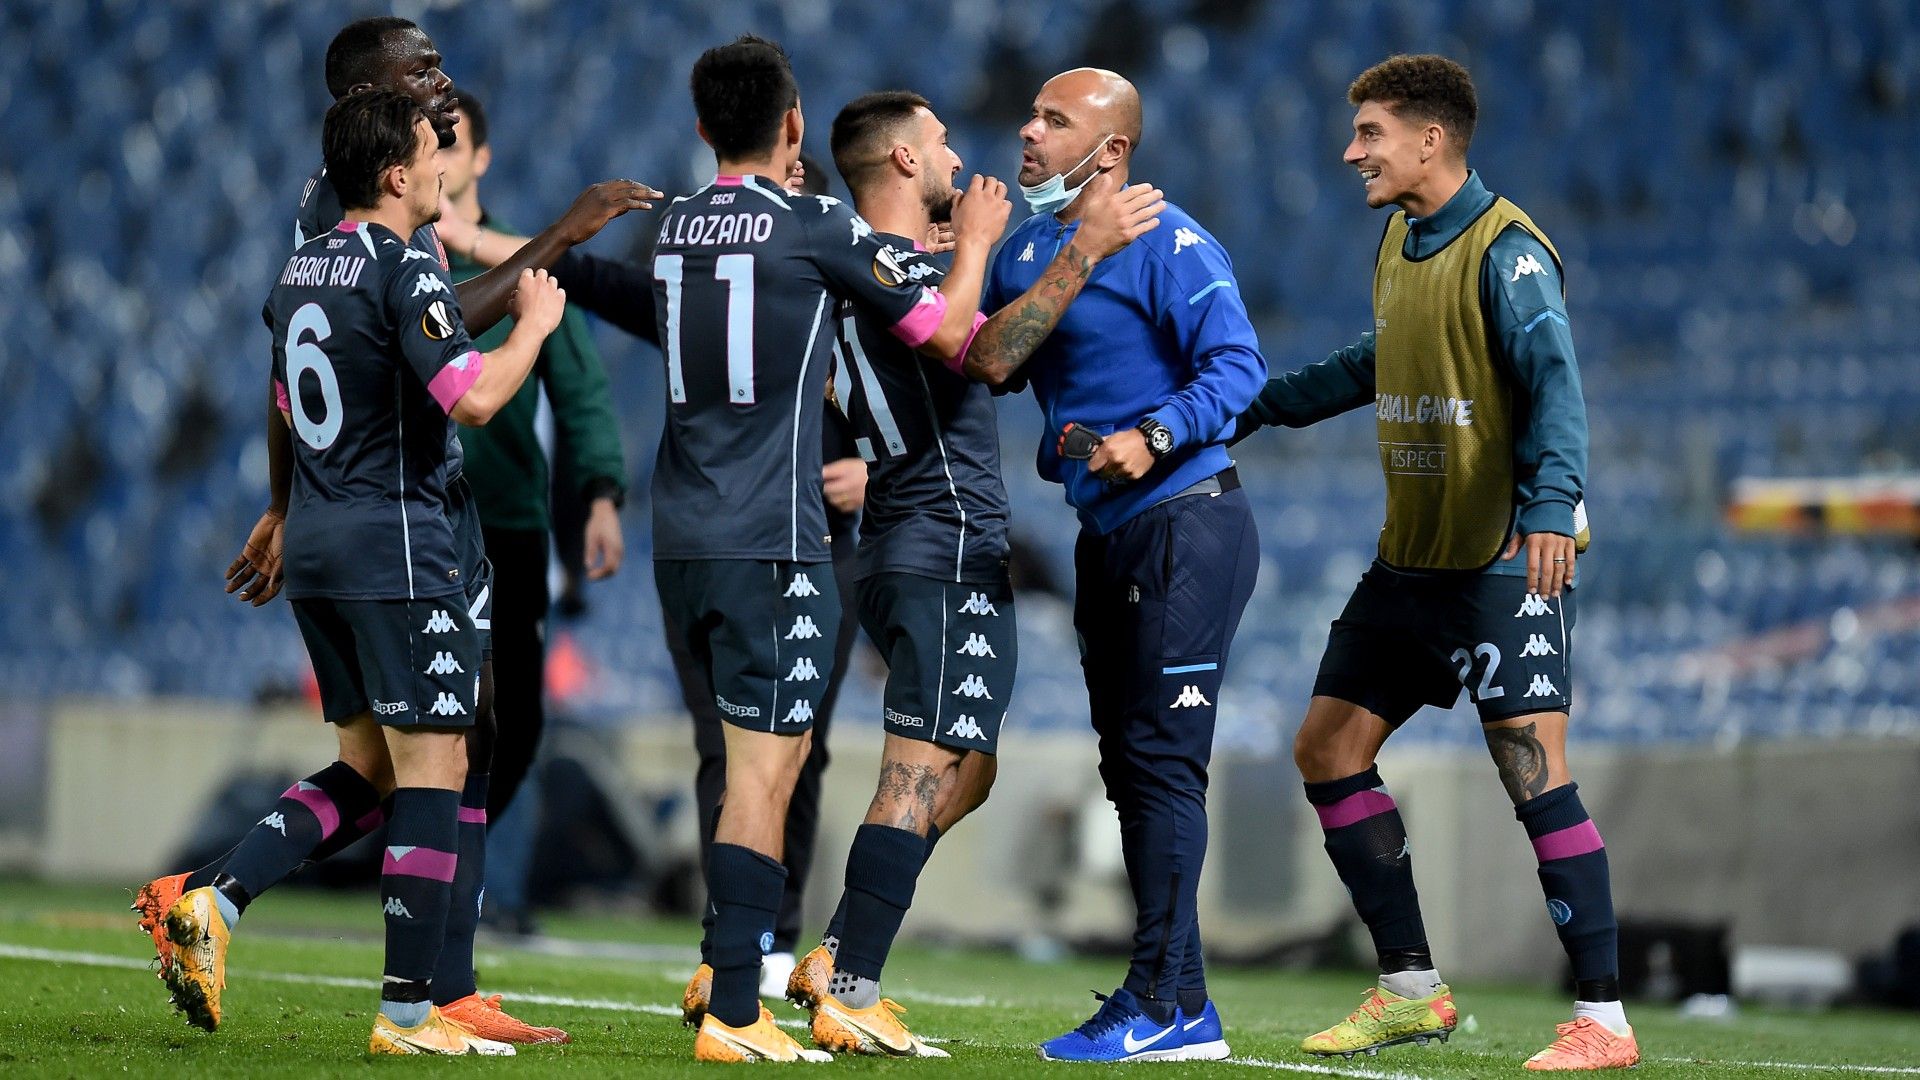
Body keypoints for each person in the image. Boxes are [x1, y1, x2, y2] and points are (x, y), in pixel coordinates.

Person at [137, 14, 655, 1047]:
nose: (443, 89)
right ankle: (414, 999)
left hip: (354, 519)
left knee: (411, 751)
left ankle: (221, 901)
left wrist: (292, 503)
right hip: (407, 525)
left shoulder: (312, 254)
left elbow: (289, 372)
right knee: (440, 754)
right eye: (421, 75)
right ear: (371, 118)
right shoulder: (373, 233)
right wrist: (551, 271)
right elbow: (449, 356)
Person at [1232, 55, 1632, 1071]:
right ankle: (1410, 988)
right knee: (1326, 748)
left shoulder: (1512, 252)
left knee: (1534, 777)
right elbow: (1383, 361)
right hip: (1410, 565)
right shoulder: (1400, 237)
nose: (1350, 150)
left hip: (1502, 565)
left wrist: (1547, 506)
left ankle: (1605, 1022)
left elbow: (1557, 386)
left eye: (1367, 132)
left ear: (1430, 139)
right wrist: (1261, 405)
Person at [768, 89, 1164, 1058]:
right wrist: (1080, 248)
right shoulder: (907, 269)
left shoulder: (855, 268)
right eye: (940, 141)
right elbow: (984, 353)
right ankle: (852, 982)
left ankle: (834, 951)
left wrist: (973, 245)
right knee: (918, 771)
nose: (961, 156)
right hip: (941, 540)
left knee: (969, 767)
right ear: (903, 162)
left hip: (909, 541)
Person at [653, 35, 1005, 1063]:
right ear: (793, 127)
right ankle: (734, 1011)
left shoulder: (675, 226)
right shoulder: (811, 224)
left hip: (680, 532)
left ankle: (738, 988)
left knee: (756, 766)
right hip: (772, 533)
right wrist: (974, 237)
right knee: (768, 774)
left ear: (704, 125)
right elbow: (949, 335)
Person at [442, 151, 865, 990]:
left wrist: (877, 475)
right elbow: (596, 281)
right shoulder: (698, 295)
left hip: (813, 543)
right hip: (710, 543)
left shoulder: (853, 300)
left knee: (793, 750)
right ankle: (736, 946)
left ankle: (767, 939)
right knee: (734, 750)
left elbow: (937, 398)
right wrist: (482, 236)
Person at [963, 67, 1267, 1063]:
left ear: (1114, 151)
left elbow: (1239, 367)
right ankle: (1184, 1005)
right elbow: (992, 357)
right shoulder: (1033, 252)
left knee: (1163, 765)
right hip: (1109, 536)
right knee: (1132, 768)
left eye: (1056, 120)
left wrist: (1157, 429)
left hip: (1186, 521)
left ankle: (1160, 999)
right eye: (1033, 113)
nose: (1029, 130)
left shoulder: (1167, 241)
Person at [436, 87, 629, 935]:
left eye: (454, 141)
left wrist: (599, 494)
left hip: (506, 519)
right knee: (425, 719)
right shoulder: (392, 258)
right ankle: (447, 881)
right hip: (415, 520)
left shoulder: (525, 264)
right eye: (428, 140)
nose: (440, 156)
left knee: (512, 720)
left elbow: (581, 384)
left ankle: (463, 876)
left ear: (482, 157)